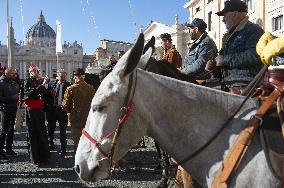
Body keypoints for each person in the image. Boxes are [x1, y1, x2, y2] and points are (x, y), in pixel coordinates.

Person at [205, 0, 264, 94]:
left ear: (235, 14)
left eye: (224, 15)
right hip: (229, 87)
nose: (223, 19)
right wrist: (213, 68)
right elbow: (224, 65)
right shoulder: (228, 36)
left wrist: (224, 59)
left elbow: (255, 55)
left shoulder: (254, 30)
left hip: (246, 88)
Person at [61, 68, 95, 152]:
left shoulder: (71, 89)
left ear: (75, 77)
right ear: (84, 76)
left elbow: (65, 106)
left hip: (75, 119)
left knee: (77, 142)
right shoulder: (91, 88)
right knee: (88, 140)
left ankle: (79, 161)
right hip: (88, 119)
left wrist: (71, 110)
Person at [24, 64, 50, 165]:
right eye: (36, 71)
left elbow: (42, 94)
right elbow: (29, 95)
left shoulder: (38, 81)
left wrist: (48, 88)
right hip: (32, 110)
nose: (39, 73)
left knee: (42, 133)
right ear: (31, 72)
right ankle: (35, 158)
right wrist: (42, 85)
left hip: (39, 110)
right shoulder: (27, 81)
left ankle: (44, 156)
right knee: (33, 134)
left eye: (39, 71)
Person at [45, 69, 70, 157]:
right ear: (57, 76)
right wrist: (49, 93)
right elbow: (45, 95)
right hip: (52, 110)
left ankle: (63, 149)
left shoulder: (68, 86)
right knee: (50, 129)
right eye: (61, 76)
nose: (62, 77)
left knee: (63, 131)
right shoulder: (52, 84)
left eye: (64, 76)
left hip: (63, 111)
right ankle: (50, 145)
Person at [0, 67, 20, 160]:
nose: (14, 75)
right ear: (7, 73)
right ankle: (0, 151)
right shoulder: (1, 83)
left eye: (15, 74)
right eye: (12, 74)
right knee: (3, 131)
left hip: (13, 109)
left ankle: (9, 149)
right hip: (4, 110)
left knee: (11, 130)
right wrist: (12, 98)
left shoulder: (14, 82)